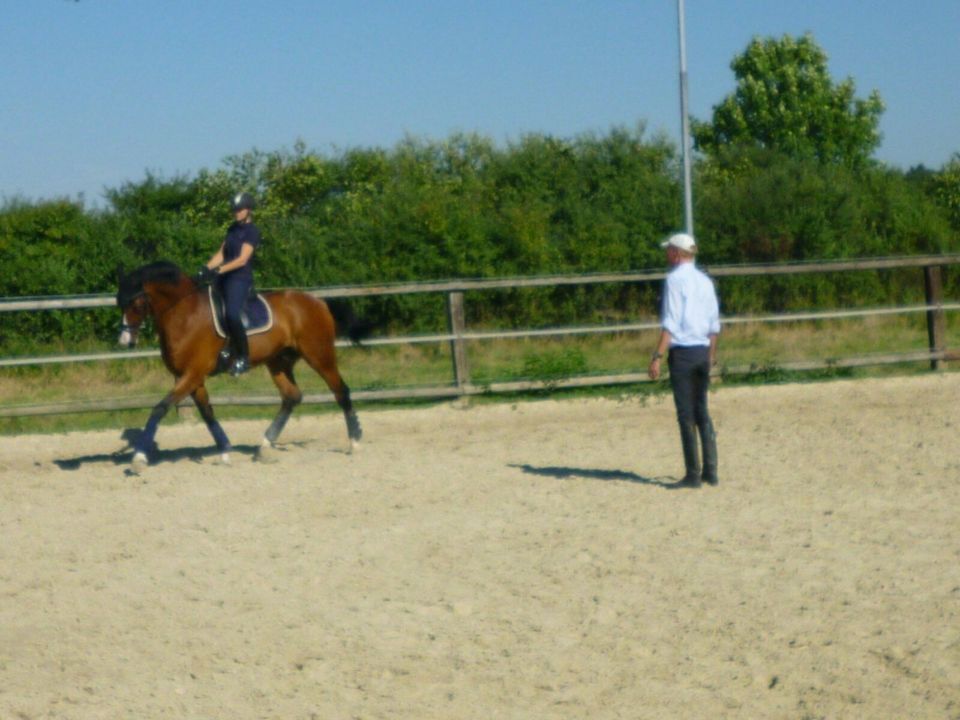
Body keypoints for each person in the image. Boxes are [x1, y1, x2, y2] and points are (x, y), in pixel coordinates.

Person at [648, 232, 720, 487]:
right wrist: (711, 357)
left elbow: (671, 321)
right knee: (702, 410)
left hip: (683, 354)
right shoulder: (705, 281)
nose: (666, 254)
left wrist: (657, 355)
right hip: (702, 351)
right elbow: (714, 325)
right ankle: (710, 470)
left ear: (677, 253)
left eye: (669, 250)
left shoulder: (674, 280)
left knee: (685, 414)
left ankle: (692, 474)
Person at [197, 191, 261, 376]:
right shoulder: (232, 229)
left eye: (239, 210)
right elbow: (222, 254)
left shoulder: (252, 232)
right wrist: (206, 268)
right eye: (234, 210)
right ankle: (223, 346)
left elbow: (242, 259)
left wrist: (219, 270)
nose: (236, 212)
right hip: (224, 277)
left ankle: (244, 357)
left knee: (232, 314)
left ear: (248, 210)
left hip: (240, 279)